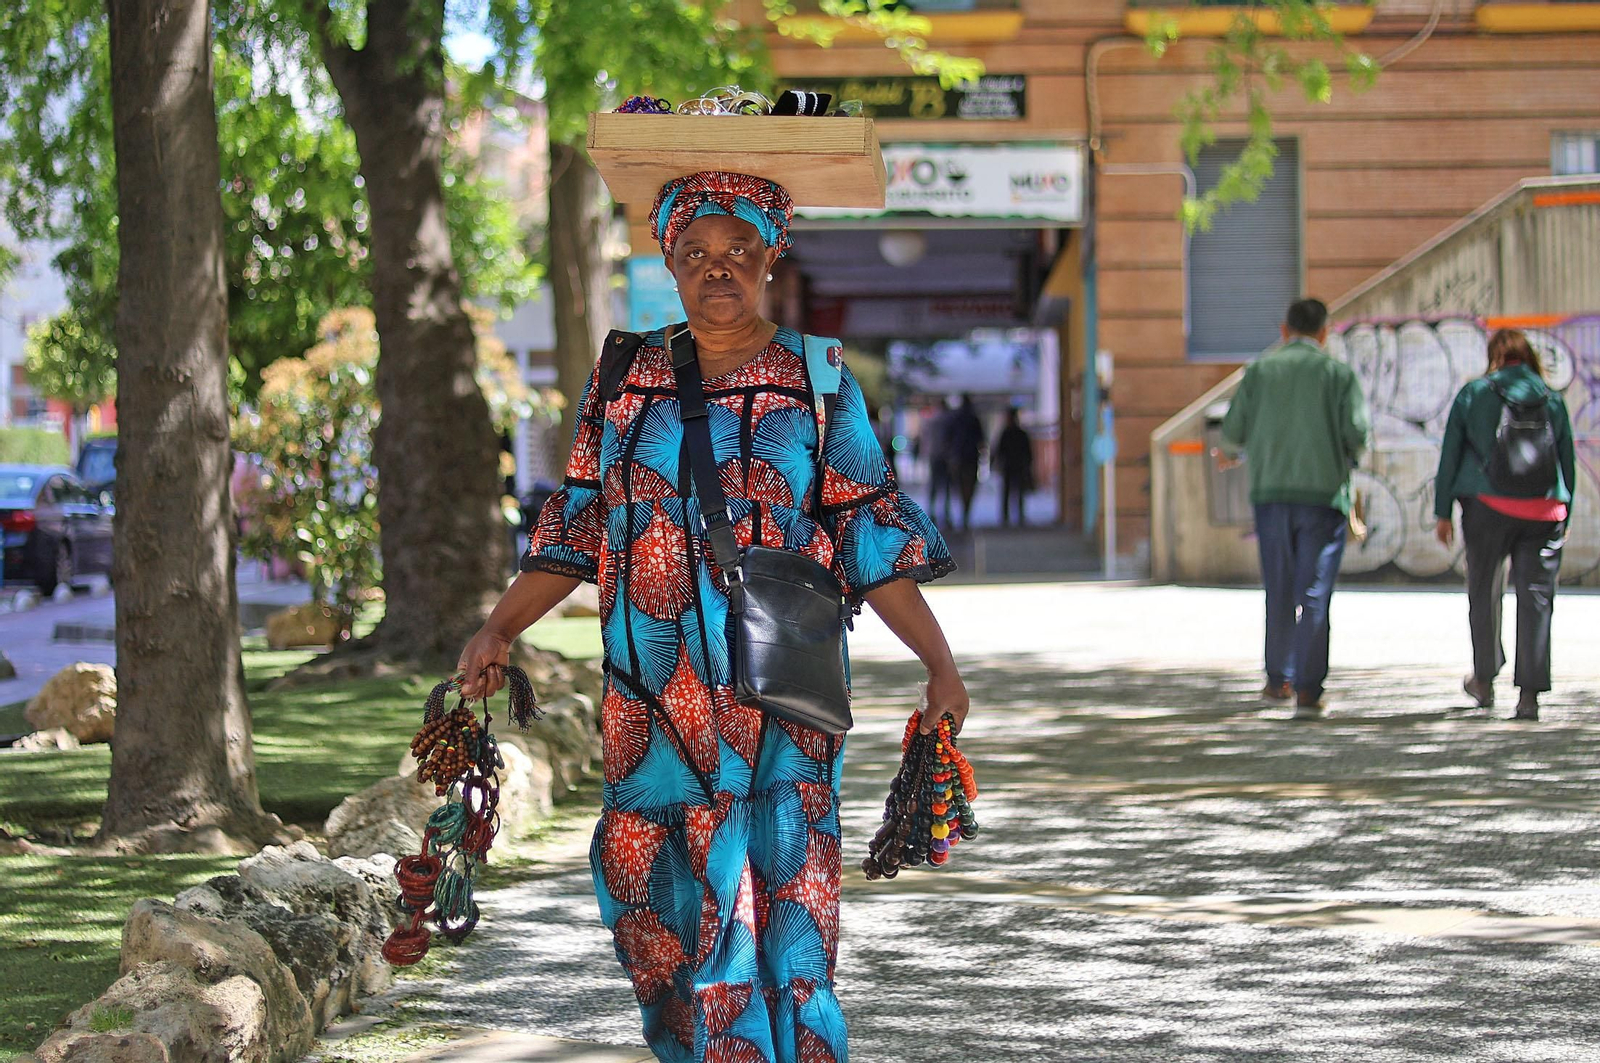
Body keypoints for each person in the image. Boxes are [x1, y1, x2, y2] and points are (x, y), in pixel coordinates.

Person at [455, 170, 966, 1063]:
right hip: (648, 698)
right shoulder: (623, 375)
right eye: (695, 255)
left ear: (772, 258)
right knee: (650, 900)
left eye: (738, 254)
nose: (717, 272)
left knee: (783, 903)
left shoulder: (818, 378)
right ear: (670, 264)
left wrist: (939, 662)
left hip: (778, 703)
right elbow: (576, 523)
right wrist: (500, 628)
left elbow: (868, 536)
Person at [1217, 298, 1370, 719]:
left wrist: (1232, 451)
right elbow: (1357, 434)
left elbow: (1232, 432)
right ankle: (1308, 689)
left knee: (1279, 589)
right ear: (1324, 332)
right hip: (1322, 498)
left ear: (1284, 330)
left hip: (1271, 495)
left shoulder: (1261, 370)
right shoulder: (1337, 374)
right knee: (1315, 593)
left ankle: (1277, 679)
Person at [1433, 328, 1576, 722]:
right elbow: (1566, 460)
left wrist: (1442, 510)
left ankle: (1484, 678)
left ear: (1495, 356)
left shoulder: (1474, 394)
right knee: (1536, 599)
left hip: (1486, 508)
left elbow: (1450, 454)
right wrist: (1568, 511)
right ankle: (1529, 695)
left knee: (1484, 591)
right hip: (1543, 512)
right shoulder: (1552, 398)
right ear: (1529, 357)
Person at [945, 393, 985, 531]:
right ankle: (966, 511)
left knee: (958, 485)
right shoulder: (974, 419)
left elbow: (948, 438)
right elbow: (981, 439)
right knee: (970, 485)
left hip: (958, 457)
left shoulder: (955, 418)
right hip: (971, 457)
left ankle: (963, 510)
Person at [993, 406, 1034, 526]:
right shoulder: (1020, 433)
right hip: (1017, 465)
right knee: (1016, 491)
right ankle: (1016, 515)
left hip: (1010, 466)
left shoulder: (1006, 433)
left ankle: (1006, 516)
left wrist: (997, 463)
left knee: (1009, 491)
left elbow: (999, 451)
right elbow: (1028, 452)